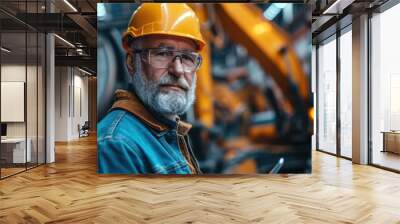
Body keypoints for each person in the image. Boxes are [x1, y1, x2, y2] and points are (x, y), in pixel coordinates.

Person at [97, 3, 205, 174]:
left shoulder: (168, 133)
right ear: (132, 62)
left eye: (187, 58)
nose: (178, 70)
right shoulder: (116, 146)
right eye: (162, 53)